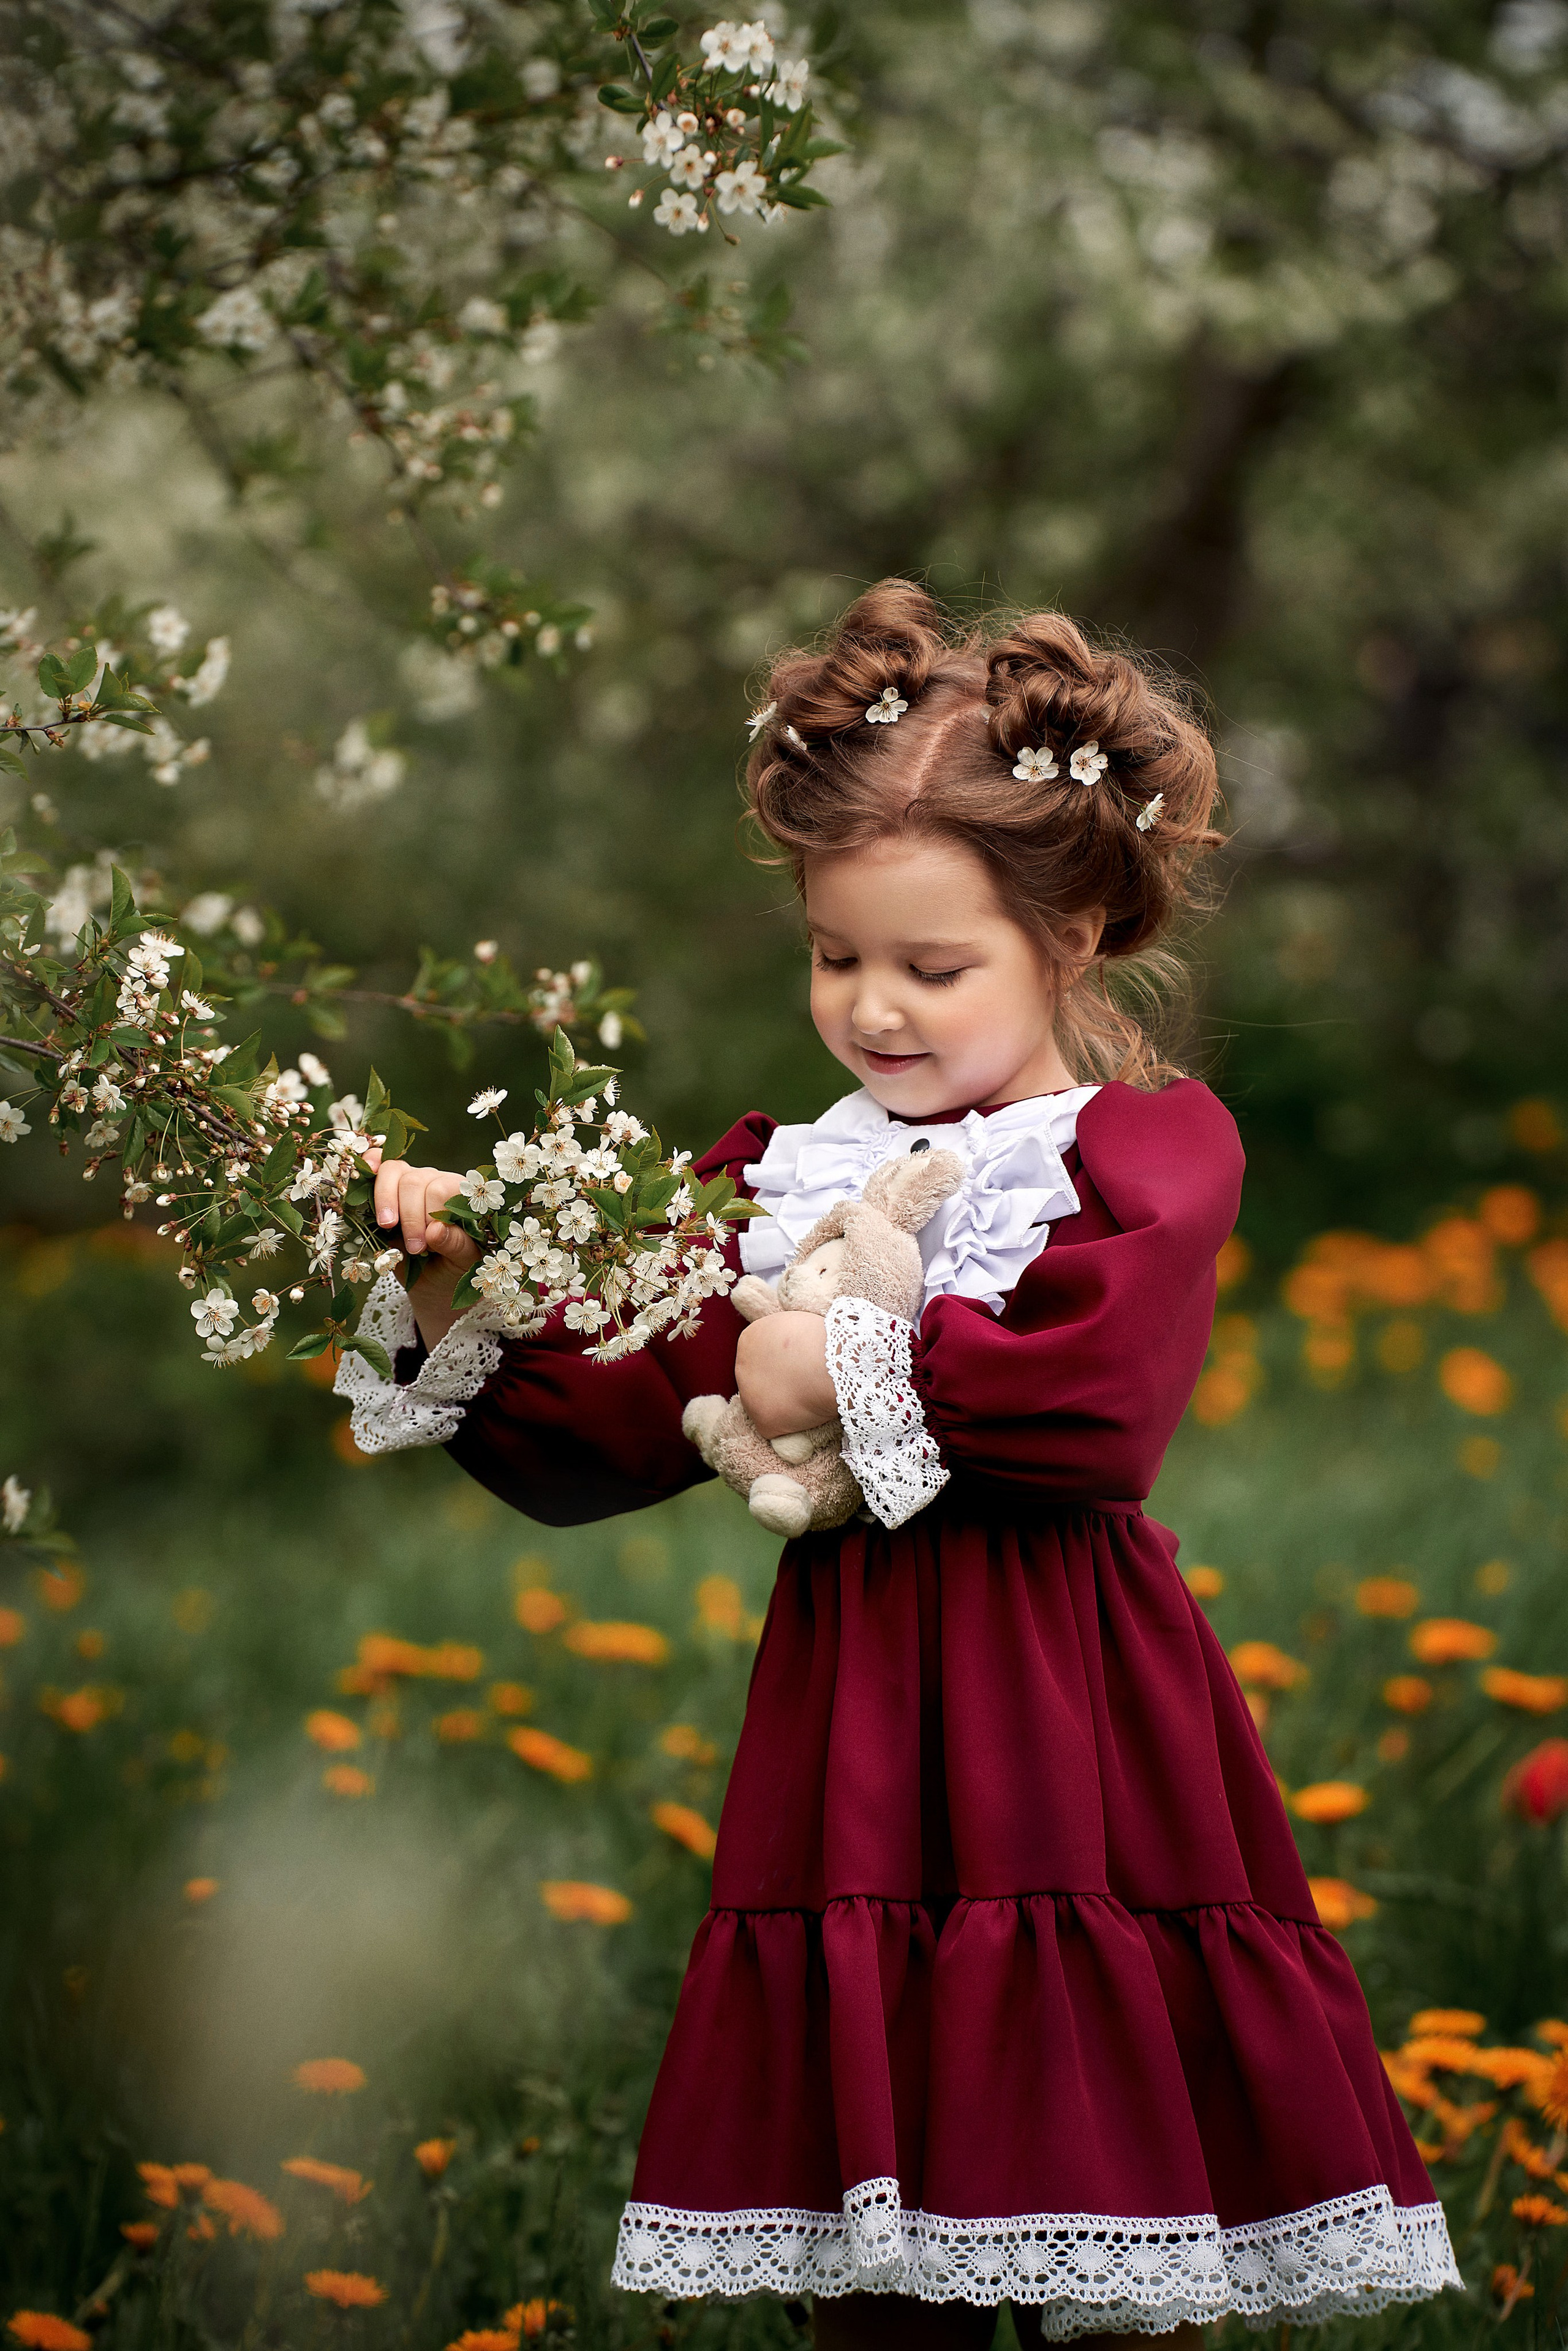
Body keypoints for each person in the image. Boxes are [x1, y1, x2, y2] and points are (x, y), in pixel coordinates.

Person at [344, 583, 1458, 2347]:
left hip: (1069, 1697)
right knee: (882, 2239)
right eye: (836, 955)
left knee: (1107, 2190)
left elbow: (1099, 1404)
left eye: (934, 967)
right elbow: (614, 1429)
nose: (874, 1007)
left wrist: (834, 1350)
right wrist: (446, 1281)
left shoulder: (1135, 1151)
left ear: (1075, 930)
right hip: (858, 1711)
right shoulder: (785, 1177)